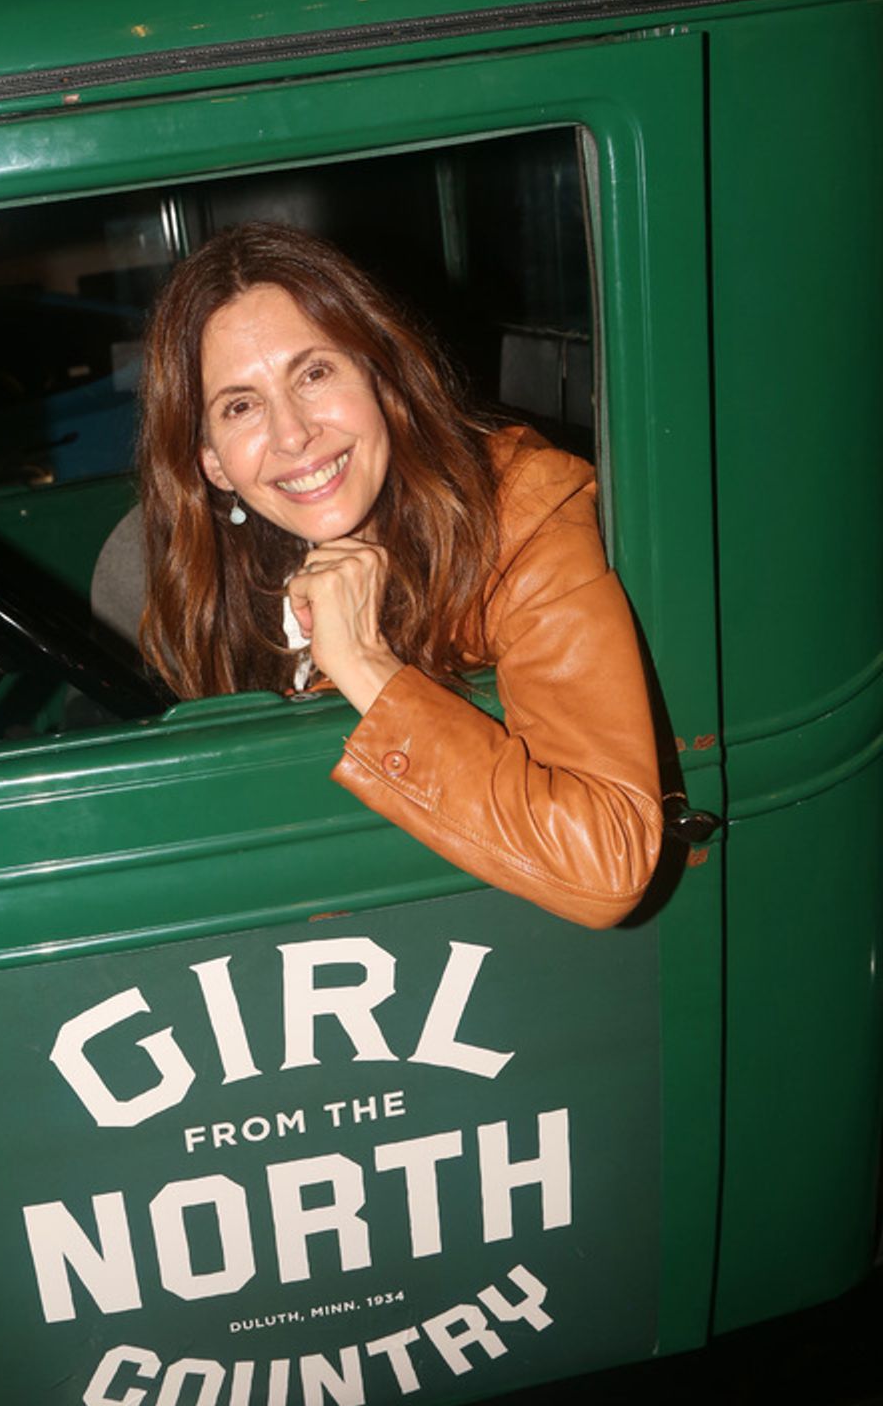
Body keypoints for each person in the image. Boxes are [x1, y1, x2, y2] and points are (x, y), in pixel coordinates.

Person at [137, 222, 661, 928]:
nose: (292, 434)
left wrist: (366, 666)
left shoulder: (524, 518)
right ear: (213, 464)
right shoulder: (215, 591)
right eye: (241, 406)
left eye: (314, 373)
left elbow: (608, 860)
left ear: (380, 377)